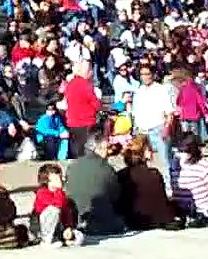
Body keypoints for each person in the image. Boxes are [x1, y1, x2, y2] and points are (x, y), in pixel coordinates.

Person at [63, 130, 126, 236]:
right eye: (107, 148)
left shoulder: (73, 165)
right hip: (99, 221)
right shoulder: (106, 168)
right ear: (98, 149)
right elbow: (115, 195)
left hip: (75, 218)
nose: (109, 152)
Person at [117, 135, 183, 231]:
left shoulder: (122, 175)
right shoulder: (154, 174)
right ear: (146, 152)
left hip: (133, 222)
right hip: (156, 220)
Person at [131, 65, 176, 194]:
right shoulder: (139, 91)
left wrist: (166, 128)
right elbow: (135, 112)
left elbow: (169, 112)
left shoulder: (161, 90)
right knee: (144, 162)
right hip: (142, 131)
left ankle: (168, 189)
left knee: (164, 162)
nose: (145, 77)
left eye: (147, 74)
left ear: (153, 75)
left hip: (157, 129)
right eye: (142, 74)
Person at [32, 163, 81, 247]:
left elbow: (66, 212)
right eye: (56, 178)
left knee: (79, 236)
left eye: (60, 177)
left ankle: (64, 239)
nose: (60, 180)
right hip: (43, 227)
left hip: (58, 227)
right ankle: (46, 241)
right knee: (54, 210)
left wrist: (68, 227)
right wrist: (59, 190)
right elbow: (58, 205)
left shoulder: (61, 194)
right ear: (47, 181)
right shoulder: (42, 193)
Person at [62, 59, 101, 158]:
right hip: (86, 122)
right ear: (87, 72)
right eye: (90, 70)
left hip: (73, 122)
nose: (92, 73)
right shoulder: (86, 85)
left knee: (75, 151)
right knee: (85, 152)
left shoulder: (70, 84)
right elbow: (96, 104)